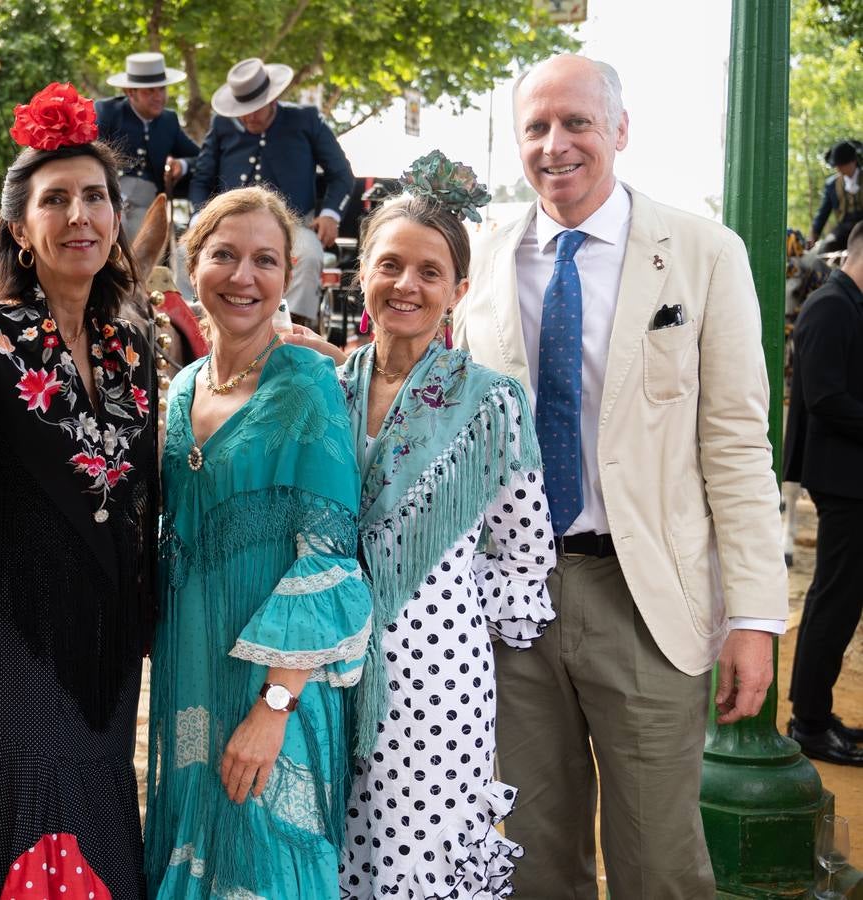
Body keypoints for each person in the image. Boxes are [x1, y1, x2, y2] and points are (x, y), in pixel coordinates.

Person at [454, 54, 787, 896]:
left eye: (577, 123)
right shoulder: (486, 261)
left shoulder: (705, 253)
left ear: (620, 131)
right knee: (531, 852)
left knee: (658, 861)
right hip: (511, 607)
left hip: (646, 602)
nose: (555, 145)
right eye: (536, 127)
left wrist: (753, 614)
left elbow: (740, 445)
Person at [0, 82, 157, 900]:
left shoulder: (131, 346)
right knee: (14, 825)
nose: (80, 215)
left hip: (109, 663)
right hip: (15, 653)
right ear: (20, 227)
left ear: (117, 219)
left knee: (96, 820)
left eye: (95, 197)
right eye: (57, 199)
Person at [333, 153, 555, 898]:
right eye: (390, 264)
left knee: (417, 858)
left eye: (430, 272)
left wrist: (434, 600)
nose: (407, 285)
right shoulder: (325, 390)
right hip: (321, 671)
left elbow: (525, 554)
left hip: (435, 683)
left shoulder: (491, 402)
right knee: (334, 852)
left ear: (458, 290)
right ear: (362, 272)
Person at [144, 186, 372, 899]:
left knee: (270, 860)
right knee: (197, 843)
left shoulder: (307, 383)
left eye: (265, 260)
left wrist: (273, 709)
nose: (244, 276)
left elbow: (331, 557)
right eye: (225, 255)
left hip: (277, 690)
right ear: (191, 265)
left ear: (287, 275)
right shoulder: (181, 389)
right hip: (191, 676)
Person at [189, 58, 354, 329]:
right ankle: (198, 332)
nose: (249, 117)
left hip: (293, 226)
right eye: (243, 110)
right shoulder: (222, 126)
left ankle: (293, 335)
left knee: (309, 256)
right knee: (187, 251)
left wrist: (330, 214)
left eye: (256, 109)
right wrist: (198, 221)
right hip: (227, 227)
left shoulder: (306, 120)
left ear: (274, 99)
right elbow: (201, 180)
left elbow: (341, 174)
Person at [786, 222, 863, 765]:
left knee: (840, 602)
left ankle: (817, 713)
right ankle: (809, 723)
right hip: (842, 481)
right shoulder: (831, 306)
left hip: (850, 476)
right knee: (833, 603)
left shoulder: (847, 304)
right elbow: (826, 396)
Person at [97, 51, 199, 241]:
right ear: (130, 92)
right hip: (108, 195)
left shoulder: (169, 121)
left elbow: (201, 157)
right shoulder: (107, 112)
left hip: (149, 202)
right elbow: (92, 155)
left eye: (161, 89)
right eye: (149, 91)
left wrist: (182, 165)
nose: (158, 96)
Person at [809, 140, 863, 251]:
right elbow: (823, 212)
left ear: (852, 161)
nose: (838, 168)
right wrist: (814, 234)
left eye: (841, 165)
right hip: (844, 228)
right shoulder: (832, 185)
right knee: (826, 246)